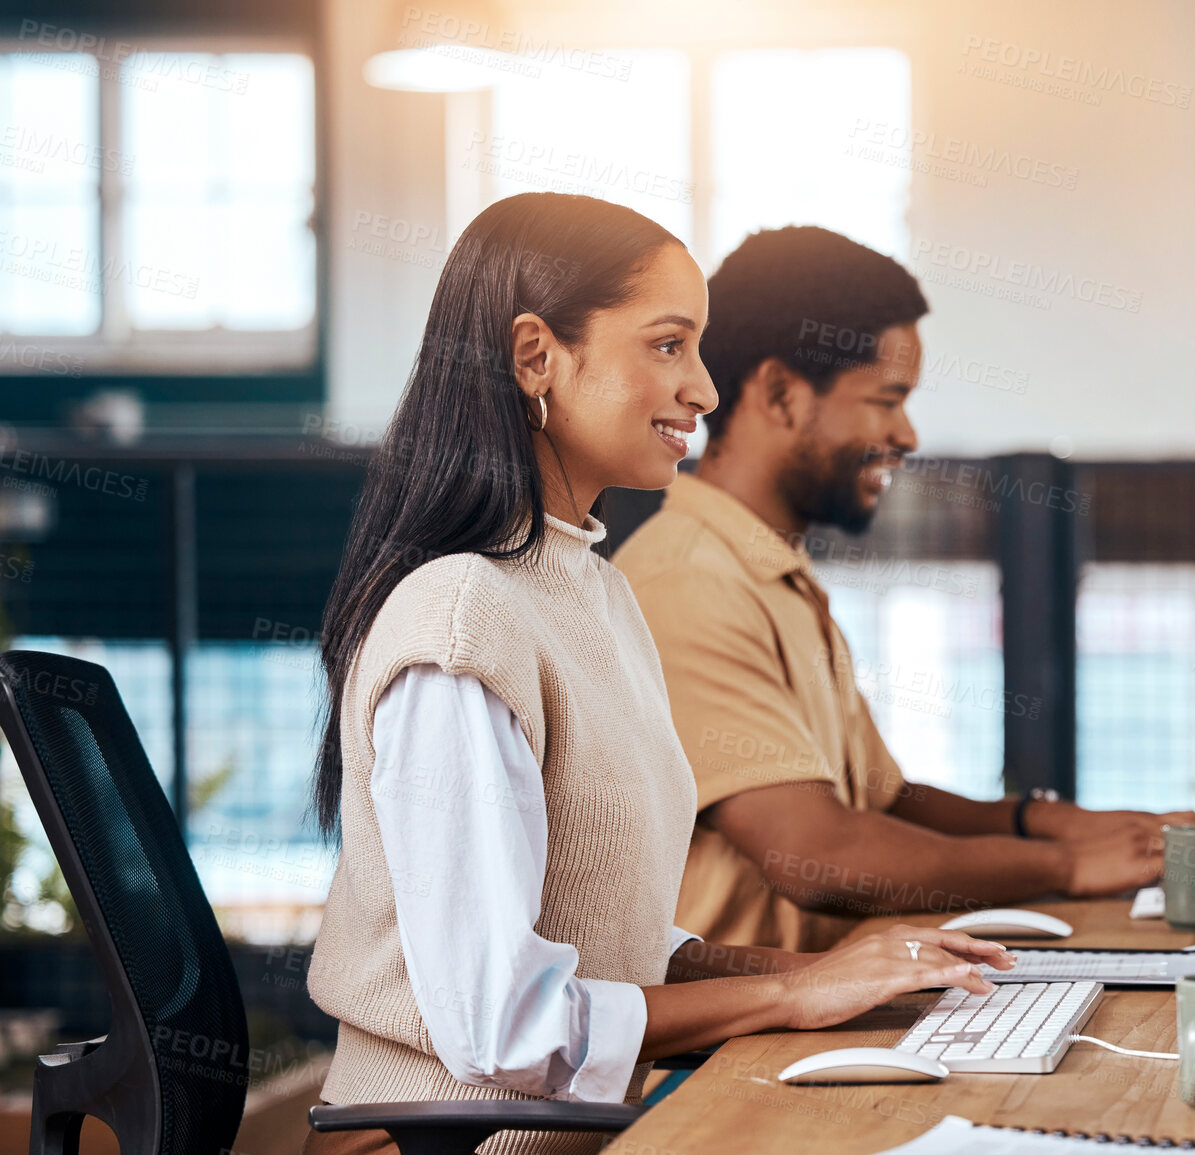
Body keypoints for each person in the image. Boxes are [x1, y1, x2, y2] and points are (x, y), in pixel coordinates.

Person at [304, 196, 1009, 1155]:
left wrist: (852, 971)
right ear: (535, 356)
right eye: (669, 346)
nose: (705, 391)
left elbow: (621, 939)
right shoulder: (464, 617)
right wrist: (793, 989)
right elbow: (502, 1028)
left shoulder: (593, 592)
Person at [613, 226, 1195, 954]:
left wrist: (1055, 823)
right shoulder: (689, 583)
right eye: (886, 399)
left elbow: (880, 800)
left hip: (816, 1006)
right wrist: (1070, 864)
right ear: (780, 393)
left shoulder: (769, 572)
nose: (907, 432)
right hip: (729, 1051)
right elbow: (820, 854)